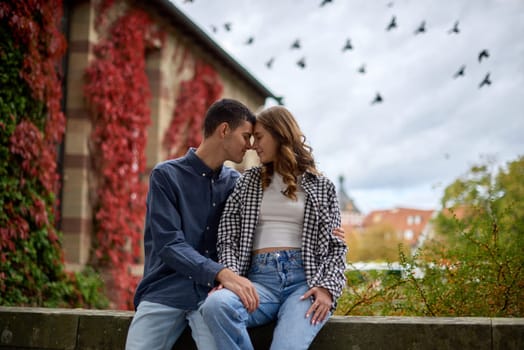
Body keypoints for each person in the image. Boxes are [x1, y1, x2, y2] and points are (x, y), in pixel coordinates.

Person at [201, 105, 348, 350]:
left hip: (305, 284)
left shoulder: (322, 186)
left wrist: (327, 289)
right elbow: (228, 236)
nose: (252, 145)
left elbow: (336, 245)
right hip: (259, 282)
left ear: (280, 134)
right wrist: (232, 278)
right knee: (216, 305)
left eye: (258, 137)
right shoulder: (247, 181)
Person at [125, 98, 261, 350]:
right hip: (164, 291)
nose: (250, 146)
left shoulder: (236, 183)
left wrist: (326, 230)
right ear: (223, 130)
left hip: (211, 298)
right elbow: (168, 244)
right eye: (246, 136)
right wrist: (222, 273)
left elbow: (265, 223)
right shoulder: (166, 176)